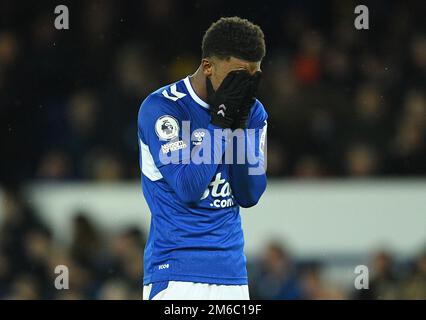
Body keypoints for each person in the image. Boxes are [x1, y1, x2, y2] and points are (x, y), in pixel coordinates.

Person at [137, 17, 268, 300]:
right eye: (236, 78)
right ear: (208, 66)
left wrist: (239, 125)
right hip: (176, 273)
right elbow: (188, 187)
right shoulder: (163, 108)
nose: (244, 89)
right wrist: (220, 124)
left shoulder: (253, 112)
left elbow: (249, 194)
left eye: (252, 78)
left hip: (232, 274)